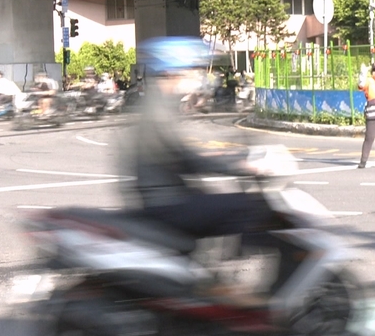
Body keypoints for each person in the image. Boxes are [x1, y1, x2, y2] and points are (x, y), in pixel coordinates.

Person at [119, 37, 288, 306]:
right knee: (245, 206)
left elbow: (183, 156)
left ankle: (215, 277)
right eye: (191, 71)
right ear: (172, 72)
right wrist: (241, 166)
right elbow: (188, 157)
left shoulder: (159, 106)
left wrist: (225, 159)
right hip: (166, 203)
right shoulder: (159, 110)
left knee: (216, 199)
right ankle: (237, 287)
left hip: (164, 198)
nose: (195, 77)